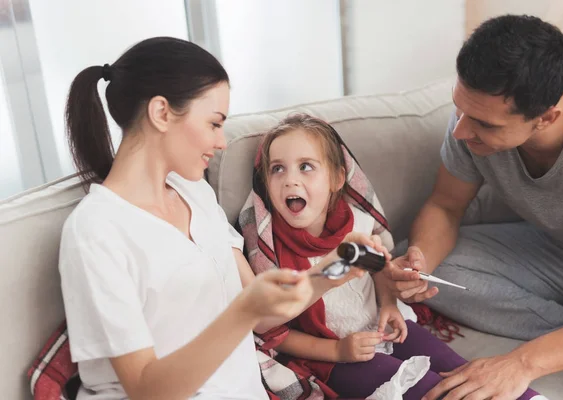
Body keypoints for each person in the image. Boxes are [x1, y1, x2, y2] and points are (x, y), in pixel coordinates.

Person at [59, 37, 374, 400]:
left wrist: (333, 269)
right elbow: (147, 389)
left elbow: (262, 317)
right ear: (161, 113)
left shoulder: (194, 192)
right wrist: (241, 312)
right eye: (214, 123)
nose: (223, 141)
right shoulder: (95, 231)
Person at [239, 113, 544, 399]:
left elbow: (380, 270)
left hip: (380, 327)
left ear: (337, 178)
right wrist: (339, 351)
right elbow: (275, 333)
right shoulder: (269, 250)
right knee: (422, 388)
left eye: (306, 166)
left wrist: (389, 306)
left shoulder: (355, 223)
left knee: (455, 367)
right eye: (277, 168)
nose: (290, 180)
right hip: (333, 354)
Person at [385, 14, 563, 400]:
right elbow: (446, 205)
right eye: (460, 109)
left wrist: (521, 363)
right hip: (549, 254)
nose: (461, 131)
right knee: (417, 262)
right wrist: (421, 265)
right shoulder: (468, 125)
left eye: (484, 124)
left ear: (546, 117)